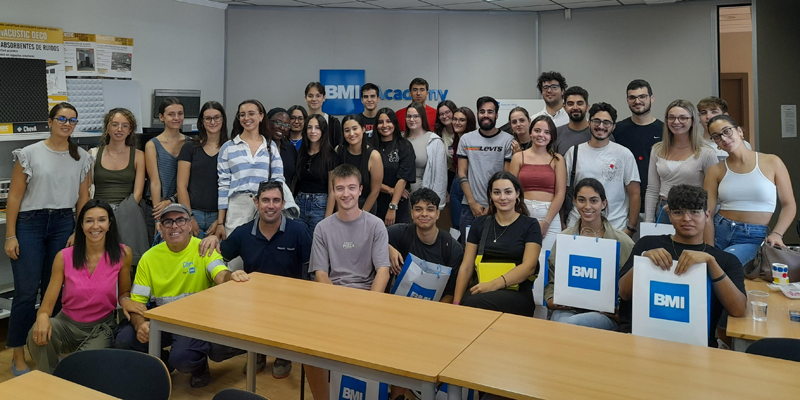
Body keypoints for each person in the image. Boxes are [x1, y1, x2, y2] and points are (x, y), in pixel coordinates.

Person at [113, 203, 250, 388]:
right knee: (124, 340)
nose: (174, 226)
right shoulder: (148, 258)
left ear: (189, 224)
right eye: (168, 222)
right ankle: (163, 361)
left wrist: (230, 276)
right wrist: (140, 324)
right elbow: (137, 303)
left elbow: (220, 274)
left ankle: (199, 366)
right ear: (160, 228)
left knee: (184, 358)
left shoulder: (204, 249)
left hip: (195, 322)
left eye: (180, 220)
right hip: (163, 321)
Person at [5, 102, 93, 376]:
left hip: (63, 224)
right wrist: (10, 235)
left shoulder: (81, 156)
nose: (67, 124)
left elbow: (83, 198)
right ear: (50, 121)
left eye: (72, 120)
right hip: (29, 225)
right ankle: (18, 355)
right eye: (62, 118)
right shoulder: (29, 154)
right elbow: (15, 196)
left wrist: (78, 231)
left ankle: (45, 350)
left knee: (54, 293)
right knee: (26, 293)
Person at [199, 181, 310, 378]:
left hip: (290, 303)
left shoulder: (299, 232)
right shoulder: (243, 233)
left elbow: (311, 268)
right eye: (265, 200)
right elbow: (219, 257)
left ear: (283, 204)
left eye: (276, 200)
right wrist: (215, 241)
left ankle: (283, 355)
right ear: (256, 202)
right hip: (254, 302)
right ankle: (256, 353)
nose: (271, 205)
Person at [619, 184, 747, 347]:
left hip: (694, 344)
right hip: (640, 337)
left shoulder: (725, 260)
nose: (686, 219)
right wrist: (643, 260)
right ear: (670, 215)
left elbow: (738, 309)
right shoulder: (648, 244)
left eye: (694, 212)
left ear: (707, 215)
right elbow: (623, 293)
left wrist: (711, 263)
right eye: (678, 212)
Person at [306, 164, 391, 400]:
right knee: (308, 348)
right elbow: (321, 274)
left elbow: (382, 270)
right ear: (333, 191)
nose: (346, 194)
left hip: (368, 298)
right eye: (340, 188)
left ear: (361, 190)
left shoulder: (376, 225)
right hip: (333, 300)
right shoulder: (323, 228)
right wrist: (338, 309)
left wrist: (369, 307)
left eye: (351, 188)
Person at [28, 200, 139, 374]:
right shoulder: (63, 257)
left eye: (101, 220)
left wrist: (127, 301)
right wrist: (41, 316)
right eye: (89, 221)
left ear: (110, 223)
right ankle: (50, 379)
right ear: (81, 225)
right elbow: (47, 306)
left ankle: (68, 379)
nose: (95, 226)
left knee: (79, 367)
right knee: (35, 336)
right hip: (66, 323)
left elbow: (124, 292)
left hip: (101, 326)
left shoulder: (123, 254)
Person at [703, 115, 796, 266]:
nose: (724, 138)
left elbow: (789, 205)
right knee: (705, 268)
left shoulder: (772, 162)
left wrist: (777, 234)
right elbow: (708, 213)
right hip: (719, 230)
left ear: (740, 131)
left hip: (753, 236)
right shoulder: (715, 170)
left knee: (724, 265)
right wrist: (708, 248)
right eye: (717, 137)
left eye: (727, 131)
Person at [544, 178, 634, 331]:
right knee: (559, 321)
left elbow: (631, 290)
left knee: (569, 325)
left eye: (594, 201)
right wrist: (552, 300)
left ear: (603, 204)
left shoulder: (623, 242)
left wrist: (618, 311)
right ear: (574, 202)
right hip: (567, 309)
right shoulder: (564, 239)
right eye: (581, 200)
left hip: (604, 315)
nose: (587, 206)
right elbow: (552, 280)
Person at [452, 171, 541, 316]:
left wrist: (493, 285)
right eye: (497, 192)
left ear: (517, 193)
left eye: (508, 192)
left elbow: (529, 267)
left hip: (516, 290)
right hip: (481, 286)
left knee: (473, 303)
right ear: (491, 196)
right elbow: (466, 267)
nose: (503, 197)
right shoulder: (480, 223)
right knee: (466, 303)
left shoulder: (530, 225)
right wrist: (455, 303)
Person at [564, 102, 641, 235]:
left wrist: (631, 228)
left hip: (615, 226)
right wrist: (562, 222)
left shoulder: (624, 154)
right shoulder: (574, 152)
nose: (601, 126)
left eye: (606, 123)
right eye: (596, 121)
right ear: (589, 123)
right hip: (578, 226)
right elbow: (562, 190)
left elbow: (634, 193)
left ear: (613, 126)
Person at [216, 99, 286, 241]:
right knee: (235, 259)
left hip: (265, 205)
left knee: (263, 253)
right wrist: (220, 222)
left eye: (251, 113)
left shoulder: (270, 147)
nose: (246, 118)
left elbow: (279, 181)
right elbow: (223, 185)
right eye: (242, 115)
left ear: (261, 117)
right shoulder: (228, 147)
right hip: (237, 205)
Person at [644, 100, 717, 224]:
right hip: (663, 211)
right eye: (671, 118)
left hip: (693, 212)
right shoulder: (657, 149)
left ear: (693, 121)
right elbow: (652, 189)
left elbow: (712, 193)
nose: (676, 122)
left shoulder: (706, 153)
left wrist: (706, 219)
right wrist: (648, 220)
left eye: (683, 118)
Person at [387, 188, 464, 303]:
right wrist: (388, 248)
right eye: (418, 209)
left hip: (436, 308)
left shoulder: (453, 248)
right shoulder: (400, 233)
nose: (424, 214)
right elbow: (371, 237)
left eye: (430, 210)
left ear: (437, 214)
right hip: (399, 303)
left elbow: (451, 293)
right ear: (412, 213)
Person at [457, 96, 515, 241]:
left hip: (498, 206)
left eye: (490, 111)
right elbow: (461, 172)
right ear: (477, 114)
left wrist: (492, 205)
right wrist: (472, 202)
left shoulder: (508, 140)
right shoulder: (466, 139)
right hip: (469, 207)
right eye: (482, 111)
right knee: (467, 250)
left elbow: (506, 177)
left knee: (495, 251)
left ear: (496, 115)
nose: (486, 115)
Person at [509, 115, 565, 252]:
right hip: (522, 214)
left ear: (552, 136)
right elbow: (510, 190)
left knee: (545, 263)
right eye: (537, 130)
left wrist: (546, 222)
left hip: (549, 217)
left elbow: (560, 193)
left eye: (547, 132)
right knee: (522, 260)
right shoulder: (518, 157)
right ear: (530, 132)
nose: (541, 135)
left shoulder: (557, 159)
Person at [177, 101, 228, 238]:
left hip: (220, 216)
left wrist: (221, 221)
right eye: (208, 118)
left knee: (216, 258)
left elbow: (234, 187)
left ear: (223, 120)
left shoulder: (231, 148)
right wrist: (189, 217)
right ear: (202, 121)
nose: (213, 122)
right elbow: (181, 186)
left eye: (217, 117)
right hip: (194, 213)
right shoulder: (190, 147)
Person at [612, 79, 665, 213]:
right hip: (623, 201)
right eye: (632, 97)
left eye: (642, 97)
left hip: (656, 201)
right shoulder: (617, 130)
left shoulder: (665, 131)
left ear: (652, 98)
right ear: (627, 100)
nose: (637, 101)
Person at [144, 97, 188, 244]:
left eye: (180, 113)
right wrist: (158, 218)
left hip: (180, 206)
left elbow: (189, 182)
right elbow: (155, 182)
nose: (176, 118)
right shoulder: (152, 145)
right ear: (161, 117)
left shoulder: (190, 143)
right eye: (171, 114)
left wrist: (172, 200)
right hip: (157, 206)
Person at [92, 108, 145, 207]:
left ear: (130, 130)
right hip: (98, 211)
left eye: (125, 126)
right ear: (107, 128)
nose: (119, 129)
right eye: (115, 124)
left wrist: (122, 212)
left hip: (127, 210)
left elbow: (138, 194)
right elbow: (86, 190)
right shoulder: (93, 154)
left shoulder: (139, 156)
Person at [295, 114, 336, 235]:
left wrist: (327, 219)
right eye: (309, 127)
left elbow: (332, 190)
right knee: (299, 243)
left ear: (323, 131)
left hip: (320, 205)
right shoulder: (301, 153)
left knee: (317, 244)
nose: (313, 131)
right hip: (299, 203)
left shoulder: (331, 155)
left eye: (317, 128)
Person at [374, 108, 415, 225]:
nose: (385, 125)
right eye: (380, 122)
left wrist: (392, 207)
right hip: (375, 200)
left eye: (389, 121)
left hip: (399, 202)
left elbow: (403, 178)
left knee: (400, 239)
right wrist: (390, 190)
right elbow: (368, 178)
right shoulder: (370, 146)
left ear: (395, 123)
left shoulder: (405, 145)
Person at [403, 102, 447, 210]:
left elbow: (440, 176)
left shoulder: (434, 141)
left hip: (424, 200)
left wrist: (438, 205)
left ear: (422, 117)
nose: (412, 119)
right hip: (400, 197)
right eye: (409, 116)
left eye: (416, 116)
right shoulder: (401, 139)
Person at [335, 115, 383, 213]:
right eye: (347, 130)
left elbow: (375, 191)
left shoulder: (374, 156)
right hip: (341, 204)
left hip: (366, 205)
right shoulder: (338, 151)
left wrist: (361, 215)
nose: (351, 134)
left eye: (355, 128)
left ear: (363, 129)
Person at [696, 96, 752, 161]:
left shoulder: (740, 143)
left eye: (714, 112)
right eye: (703, 113)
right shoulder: (694, 144)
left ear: (725, 115)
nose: (708, 116)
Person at [449, 107, 477, 233]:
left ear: (469, 122)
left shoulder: (474, 140)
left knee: (468, 225)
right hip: (456, 183)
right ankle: (458, 252)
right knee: (456, 224)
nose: (457, 122)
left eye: (461, 120)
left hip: (470, 184)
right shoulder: (457, 139)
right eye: (455, 119)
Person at [555, 86, 595, 156]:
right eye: (570, 104)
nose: (575, 107)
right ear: (564, 108)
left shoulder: (599, 134)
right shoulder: (556, 134)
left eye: (580, 103)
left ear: (587, 107)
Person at [305, 81, 343, 148]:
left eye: (318, 96)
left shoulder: (333, 122)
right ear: (306, 98)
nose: (314, 99)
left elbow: (338, 146)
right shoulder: (301, 120)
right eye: (310, 96)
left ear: (324, 98)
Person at [268, 108, 297, 188]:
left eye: (287, 125)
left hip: (284, 197)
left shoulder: (290, 149)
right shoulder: (259, 146)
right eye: (278, 122)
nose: (282, 128)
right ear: (267, 122)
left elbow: (293, 179)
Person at [435, 100, 458, 201]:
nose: (444, 116)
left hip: (463, 175)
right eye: (441, 114)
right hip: (447, 175)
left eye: (447, 112)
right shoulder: (438, 133)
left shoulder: (464, 132)